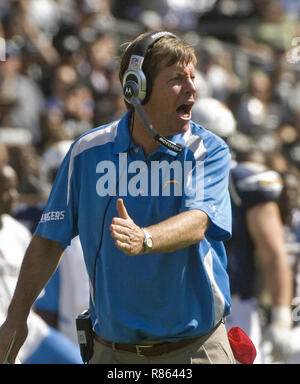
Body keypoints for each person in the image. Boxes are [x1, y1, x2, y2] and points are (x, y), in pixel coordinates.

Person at [0, 31, 235, 364]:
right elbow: (49, 240)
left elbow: (198, 222)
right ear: (135, 88)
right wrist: (16, 319)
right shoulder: (87, 153)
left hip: (195, 350)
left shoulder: (207, 149)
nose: (192, 89)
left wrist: (145, 238)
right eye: (177, 79)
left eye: (193, 78)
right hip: (112, 353)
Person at [192, 97, 294, 363]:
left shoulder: (242, 184)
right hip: (186, 306)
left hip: (234, 307)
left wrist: (281, 315)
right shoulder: (171, 178)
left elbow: (273, 252)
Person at [0, 164, 83, 364]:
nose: (12, 196)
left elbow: (35, 293)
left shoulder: (18, 231)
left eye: (14, 188)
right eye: (4, 189)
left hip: (29, 328)